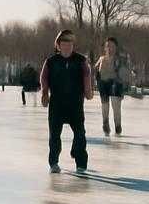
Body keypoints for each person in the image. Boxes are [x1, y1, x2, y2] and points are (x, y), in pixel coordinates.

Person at [40, 29, 93, 174]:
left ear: (73, 45)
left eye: (69, 43)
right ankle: (54, 162)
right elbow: (43, 77)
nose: (67, 46)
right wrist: (45, 92)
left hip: (75, 104)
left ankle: (80, 162)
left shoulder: (81, 60)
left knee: (80, 134)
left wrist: (88, 91)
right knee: (54, 135)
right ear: (58, 45)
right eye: (63, 43)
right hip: (57, 104)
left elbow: (87, 75)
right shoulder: (51, 61)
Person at [95, 37, 131, 136]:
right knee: (105, 106)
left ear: (116, 47)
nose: (109, 48)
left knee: (116, 107)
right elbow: (95, 72)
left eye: (111, 46)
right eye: (107, 46)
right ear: (105, 48)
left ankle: (118, 126)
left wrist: (124, 87)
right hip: (103, 84)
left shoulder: (121, 59)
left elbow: (125, 74)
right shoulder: (101, 59)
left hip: (116, 84)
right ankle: (105, 124)